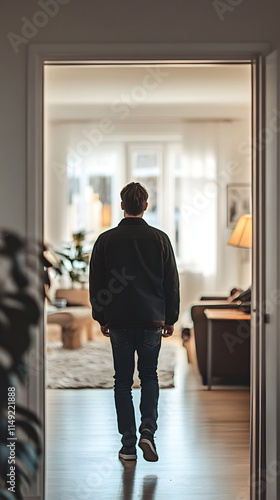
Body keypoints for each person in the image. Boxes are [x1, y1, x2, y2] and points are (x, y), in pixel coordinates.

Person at [89, 182, 180, 463]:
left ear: (122, 205)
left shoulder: (105, 240)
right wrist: (171, 317)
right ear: (145, 206)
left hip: (119, 320)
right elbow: (171, 283)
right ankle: (147, 433)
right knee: (150, 376)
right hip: (152, 318)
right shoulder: (160, 238)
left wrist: (101, 316)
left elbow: (96, 282)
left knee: (123, 382)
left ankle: (128, 445)